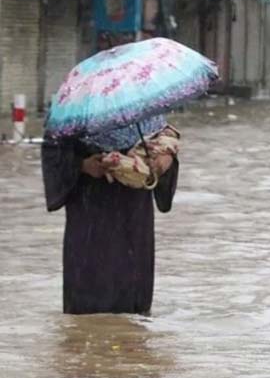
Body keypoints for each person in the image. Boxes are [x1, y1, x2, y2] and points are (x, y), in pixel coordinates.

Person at [41, 128, 179, 315]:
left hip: (134, 208)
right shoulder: (72, 114)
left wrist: (162, 162)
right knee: (87, 294)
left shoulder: (142, 110)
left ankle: (134, 330)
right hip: (88, 207)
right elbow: (52, 152)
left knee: (133, 299)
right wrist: (83, 165)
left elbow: (164, 143)